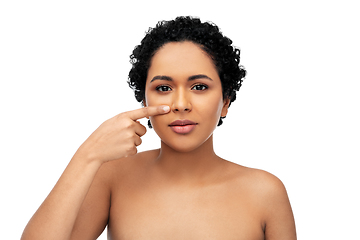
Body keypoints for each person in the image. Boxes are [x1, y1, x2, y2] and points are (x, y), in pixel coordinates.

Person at [21, 16, 296, 240]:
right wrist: (88, 155)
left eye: (199, 87)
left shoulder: (265, 192)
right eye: (163, 88)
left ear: (225, 102)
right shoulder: (113, 178)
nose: (180, 104)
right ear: (144, 101)